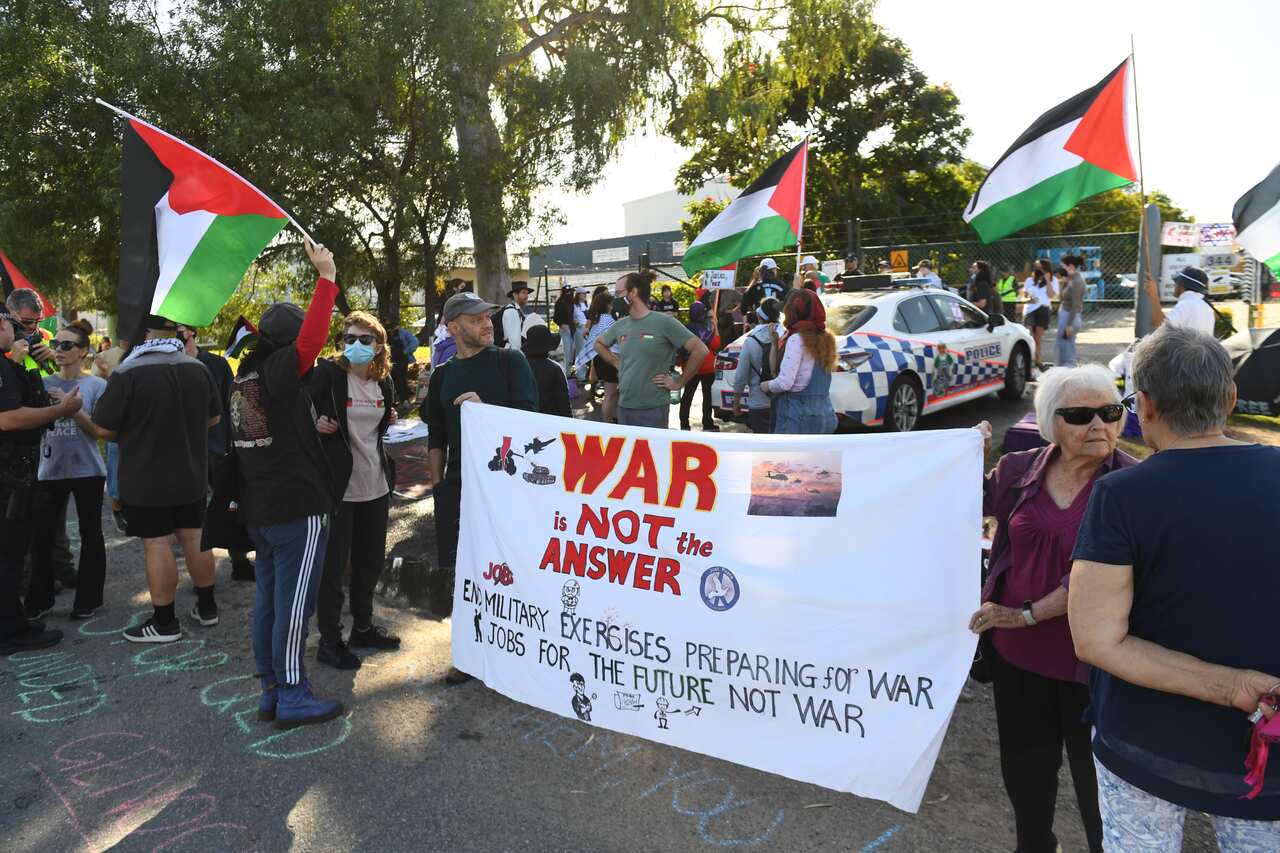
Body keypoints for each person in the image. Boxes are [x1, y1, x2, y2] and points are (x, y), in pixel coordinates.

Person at [1069, 326, 1280, 848]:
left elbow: (1095, 638)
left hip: (1145, 743)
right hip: (1266, 746)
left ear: (1143, 405)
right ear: (1230, 398)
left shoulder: (1121, 495)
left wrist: (1230, 687)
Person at [970, 365, 1137, 853]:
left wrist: (1023, 614)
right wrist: (963, 455)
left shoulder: (1132, 484)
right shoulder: (1019, 470)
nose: (1099, 426)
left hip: (1095, 665)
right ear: (1050, 422)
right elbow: (963, 502)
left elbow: (1099, 578)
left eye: (1110, 412)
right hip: (1018, 659)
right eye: (1081, 415)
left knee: (1099, 791)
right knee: (1026, 775)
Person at [231, 239, 343, 728]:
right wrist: (327, 278)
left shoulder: (245, 374)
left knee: (271, 603)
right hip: (296, 506)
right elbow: (311, 342)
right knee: (294, 605)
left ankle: (272, 688)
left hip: (261, 507)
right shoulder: (280, 367)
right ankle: (294, 693)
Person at [423, 291, 538, 683]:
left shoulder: (511, 362)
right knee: (462, 574)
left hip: (507, 490)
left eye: (488, 316)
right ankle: (469, 654)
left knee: (509, 571)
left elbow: (530, 421)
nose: (487, 323)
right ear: (453, 327)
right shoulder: (443, 374)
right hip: (457, 489)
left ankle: (517, 652)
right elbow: (436, 433)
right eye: (476, 319)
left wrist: (485, 408)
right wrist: (439, 484)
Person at [90, 314, 221, 643]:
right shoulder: (197, 367)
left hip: (146, 477)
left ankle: (164, 623)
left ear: (144, 334)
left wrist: (79, 415)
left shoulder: (127, 372)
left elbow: (104, 429)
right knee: (195, 537)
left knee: (157, 543)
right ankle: (207, 608)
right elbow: (214, 417)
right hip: (191, 473)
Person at [310, 311, 399, 671]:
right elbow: (300, 411)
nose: (357, 346)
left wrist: (389, 417)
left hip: (375, 486)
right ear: (341, 343)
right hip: (338, 490)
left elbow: (381, 423)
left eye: (365, 340)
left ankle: (363, 627)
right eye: (350, 339)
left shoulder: (384, 381)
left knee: (369, 561)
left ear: (379, 346)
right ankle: (330, 640)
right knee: (333, 568)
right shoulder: (328, 377)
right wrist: (315, 423)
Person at [0, 308, 82, 653]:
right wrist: (60, 411)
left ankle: (13, 619)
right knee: (8, 552)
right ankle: (9, 631)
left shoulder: (12, 364)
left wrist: (24, 368)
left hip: (17, 470)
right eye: (8, 323)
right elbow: (8, 418)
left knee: (15, 550)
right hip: (9, 474)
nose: (13, 330)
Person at [24, 320, 108, 620]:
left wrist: (72, 409)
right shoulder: (43, 384)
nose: (59, 350)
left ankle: (88, 600)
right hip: (50, 469)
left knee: (91, 534)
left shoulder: (97, 386)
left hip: (88, 470)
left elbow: (99, 431)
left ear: (83, 351)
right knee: (42, 536)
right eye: (56, 345)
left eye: (67, 345)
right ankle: (39, 598)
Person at [177, 323, 255, 582]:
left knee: (230, 504)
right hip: (181, 454)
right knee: (191, 518)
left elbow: (231, 403)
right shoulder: (166, 365)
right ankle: (201, 578)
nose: (177, 332)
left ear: (191, 331)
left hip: (217, 449)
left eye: (181, 327)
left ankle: (240, 560)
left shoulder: (216, 365)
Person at [593, 271, 709, 429]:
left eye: (618, 293)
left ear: (633, 292)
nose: (615, 299)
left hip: (653, 410)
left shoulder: (664, 322)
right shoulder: (621, 324)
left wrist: (679, 382)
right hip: (624, 407)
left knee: (654, 454)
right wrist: (616, 362)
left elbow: (700, 350)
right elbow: (598, 344)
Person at [761, 289, 837, 435]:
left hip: (797, 418)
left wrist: (766, 385)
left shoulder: (796, 339)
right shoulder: (827, 338)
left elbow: (785, 383)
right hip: (824, 416)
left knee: (789, 458)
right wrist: (775, 343)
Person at [731, 297, 781, 433]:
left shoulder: (751, 340)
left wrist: (736, 404)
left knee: (762, 451)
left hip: (759, 403)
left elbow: (741, 376)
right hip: (783, 403)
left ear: (759, 316)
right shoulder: (785, 335)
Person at [576, 288, 619, 423]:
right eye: (611, 304)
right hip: (608, 358)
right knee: (611, 394)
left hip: (599, 359)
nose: (612, 307)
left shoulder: (597, 320)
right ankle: (608, 422)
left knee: (610, 394)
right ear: (607, 305)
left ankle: (612, 418)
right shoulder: (609, 321)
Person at [678, 301, 720, 432]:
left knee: (687, 396)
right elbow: (716, 345)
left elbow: (679, 349)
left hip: (690, 367)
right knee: (707, 396)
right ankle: (707, 423)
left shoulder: (684, 329)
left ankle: (684, 424)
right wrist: (716, 326)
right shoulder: (708, 329)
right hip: (707, 367)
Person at [1143, 265, 1216, 335]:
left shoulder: (1187, 304)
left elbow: (1159, 324)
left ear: (1181, 285)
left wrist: (1154, 296)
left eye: (1176, 282)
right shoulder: (1207, 308)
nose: (1174, 286)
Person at [523, 325, 572, 418]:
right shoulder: (555, 369)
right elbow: (563, 403)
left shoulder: (520, 367)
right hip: (550, 420)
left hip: (527, 419)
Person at [1023, 259, 1058, 368]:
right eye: (1037, 267)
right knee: (1028, 335)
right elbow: (1025, 295)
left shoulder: (1053, 280)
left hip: (1043, 309)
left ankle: (1037, 361)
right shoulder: (1029, 280)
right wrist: (1029, 298)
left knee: (1037, 338)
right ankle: (1028, 360)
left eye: (1041, 267)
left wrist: (1047, 280)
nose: (1039, 270)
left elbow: (1051, 295)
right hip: (1030, 309)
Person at [1056, 255, 1086, 367]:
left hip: (1070, 318)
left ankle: (1069, 374)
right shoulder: (1071, 279)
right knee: (1063, 348)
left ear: (1071, 266)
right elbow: (1061, 298)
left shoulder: (1077, 281)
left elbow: (1075, 304)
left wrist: (1069, 325)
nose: (1061, 269)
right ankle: (1063, 373)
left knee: (1067, 350)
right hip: (1066, 316)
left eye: (1063, 266)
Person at [496, 281, 533, 349]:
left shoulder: (516, 310)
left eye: (527, 293)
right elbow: (515, 341)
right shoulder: (511, 311)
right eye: (523, 293)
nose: (526, 296)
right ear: (515, 294)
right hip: (511, 352)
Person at [552, 286, 578, 369]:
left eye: (570, 292)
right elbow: (555, 318)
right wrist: (561, 324)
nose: (570, 294)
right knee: (566, 352)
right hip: (565, 330)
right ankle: (566, 373)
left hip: (572, 329)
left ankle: (569, 372)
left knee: (571, 353)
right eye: (568, 292)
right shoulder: (560, 302)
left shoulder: (570, 302)